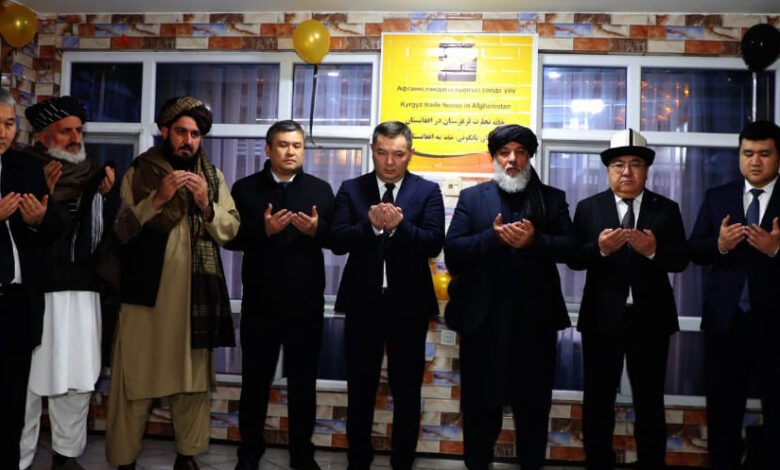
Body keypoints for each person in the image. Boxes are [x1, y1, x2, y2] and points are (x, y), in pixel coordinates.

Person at [105, 96, 240, 470]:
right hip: (145, 299)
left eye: (195, 134)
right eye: (181, 132)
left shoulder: (211, 176)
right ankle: (124, 459)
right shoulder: (140, 172)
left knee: (191, 384)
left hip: (194, 299)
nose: (188, 141)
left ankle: (187, 455)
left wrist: (206, 204)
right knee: (135, 382)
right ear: (165, 132)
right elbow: (121, 229)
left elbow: (231, 229)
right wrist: (159, 198)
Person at [444, 124, 576, 470]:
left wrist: (535, 242)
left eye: (520, 152)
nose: (512, 159)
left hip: (535, 324)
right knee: (480, 410)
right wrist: (492, 238)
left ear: (530, 157)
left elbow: (573, 250)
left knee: (532, 411)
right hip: (483, 325)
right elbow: (453, 252)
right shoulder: (473, 198)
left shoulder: (552, 198)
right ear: (494, 157)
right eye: (504, 153)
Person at [568, 129, 688, 470]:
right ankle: (598, 463)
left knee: (650, 400)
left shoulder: (666, 209)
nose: (626, 172)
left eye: (635, 164)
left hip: (651, 320)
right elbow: (574, 258)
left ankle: (651, 463)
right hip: (601, 319)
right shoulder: (589, 208)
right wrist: (600, 249)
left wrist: (653, 252)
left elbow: (681, 260)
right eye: (618, 164)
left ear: (646, 170)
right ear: (608, 170)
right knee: (598, 399)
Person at [330, 121, 444, 470]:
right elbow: (337, 241)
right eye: (382, 153)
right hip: (362, 305)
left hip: (408, 308)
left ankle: (403, 461)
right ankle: (358, 459)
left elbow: (433, 242)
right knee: (360, 387)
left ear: (410, 154)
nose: (390, 162)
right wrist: (370, 225)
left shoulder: (427, 191)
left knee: (407, 389)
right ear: (372, 151)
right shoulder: (352, 188)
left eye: (398, 154)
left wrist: (399, 227)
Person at [226, 120, 334, 470]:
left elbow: (338, 239)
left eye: (297, 146)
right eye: (284, 145)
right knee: (255, 382)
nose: (291, 152)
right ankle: (249, 451)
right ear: (268, 149)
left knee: (303, 383)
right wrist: (264, 230)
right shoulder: (246, 189)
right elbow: (229, 237)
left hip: (306, 306)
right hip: (261, 305)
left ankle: (302, 452)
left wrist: (318, 230)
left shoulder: (319, 190)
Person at [17, 95, 116, 470]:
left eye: (79, 130)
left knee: (77, 378)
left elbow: (110, 235)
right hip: (38, 291)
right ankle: (19, 458)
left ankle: (67, 455)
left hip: (84, 292)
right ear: (43, 138)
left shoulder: (96, 175)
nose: (75, 138)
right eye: (65, 131)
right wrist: (40, 194)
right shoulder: (23, 171)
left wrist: (107, 199)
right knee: (27, 381)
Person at [688, 120, 780, 470]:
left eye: (764, 154)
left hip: (775, 325)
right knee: (723, 412)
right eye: (748, 153)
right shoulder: (718, 196)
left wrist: (774, 250)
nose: (755, 161)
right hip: (726, 324)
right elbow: (694, 250)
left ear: (778, 157)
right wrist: (720, 245)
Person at [0, 88, 65, 468]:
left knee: (11, 405)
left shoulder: (25, 168)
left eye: (9, 124)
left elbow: (54, 227)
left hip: (16, 303)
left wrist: (40, 220)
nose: (3, 132)